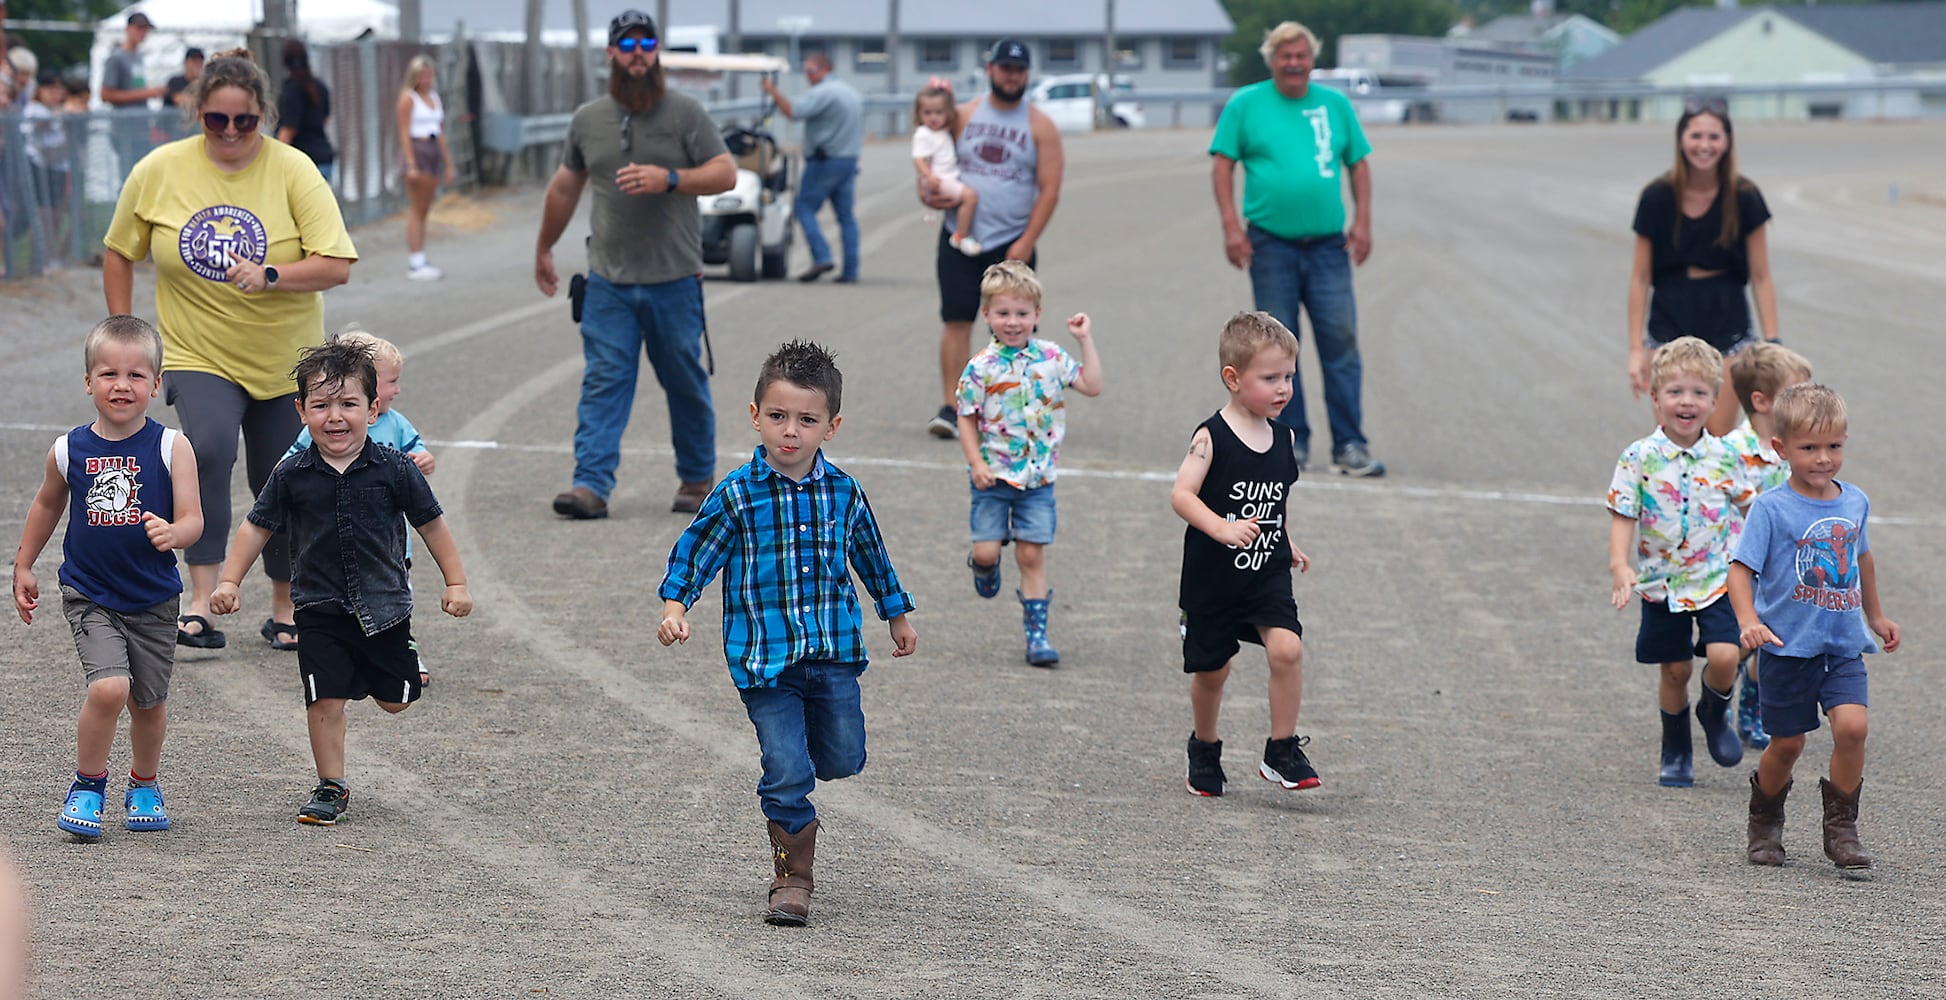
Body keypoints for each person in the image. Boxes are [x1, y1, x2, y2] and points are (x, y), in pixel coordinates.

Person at [103, 48, 358, 653]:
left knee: (283, 475)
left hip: (286, 357)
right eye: (217, 121)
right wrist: (121, 324)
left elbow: (338, 264)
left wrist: (270, 274)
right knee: (208, 449)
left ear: (263, 116)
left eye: (245, 122)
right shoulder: (160, 169)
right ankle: (200, 597)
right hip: (198, 350)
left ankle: (285, 602)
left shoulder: (294, 169)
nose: (231, 133)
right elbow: (120, 249)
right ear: (198, 114)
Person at [657, 341, 917, 927]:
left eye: (807, 419)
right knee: (787, 769)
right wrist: (677, 604)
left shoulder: (844, 492)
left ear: (832, 425)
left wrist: (896, 614)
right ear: (755, 416)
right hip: (765, 660)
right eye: (778, 417)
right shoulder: (736, 493)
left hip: (833, 653)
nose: (790, 432)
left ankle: (806, 779)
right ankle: (792, 876)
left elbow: (871, 555)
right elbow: (696, 552)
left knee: (844, 757)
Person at [208, 339, 472, 825]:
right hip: (318, 607)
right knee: (324, 697)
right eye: (321, 404)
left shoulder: (394, 467)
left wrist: (455, 582)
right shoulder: (291, 473)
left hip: (385, 605)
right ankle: (331, 785)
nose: (334, 416)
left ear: (373, 410)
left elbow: (431, 524)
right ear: (301, 411)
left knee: (397, 700)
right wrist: (229, 581)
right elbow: (256, 526)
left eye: (348, 404)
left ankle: (386, 668)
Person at [534, 9, 735, 519]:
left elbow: (725, 172)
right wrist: (544, 248)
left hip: (674, 279)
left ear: (657, 50)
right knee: (605, 380)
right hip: (609, 283)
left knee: (685, 381)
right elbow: (563, 187)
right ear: (612, 54)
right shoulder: (588, 119)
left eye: (647, 42)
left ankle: (696, 479)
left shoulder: (685, 113)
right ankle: (590, 485)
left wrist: (670, 178)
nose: (638, 51)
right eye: (628, 44)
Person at [11, 316, 203, 840]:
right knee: (109, 688)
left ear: (156, 384)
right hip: (90, 593)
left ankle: (144, 783)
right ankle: (88, 785)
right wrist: (24, 563)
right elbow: (48, 503)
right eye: (109, 373)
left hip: (156, 597)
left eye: (137, 375)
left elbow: (194, 518)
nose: (122, 385)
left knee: (149, 701)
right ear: (88, 381)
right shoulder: (68, 449)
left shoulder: (172, 447)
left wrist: (175, 532)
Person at [1729, 384, 1898, 872]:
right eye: (1809, 448)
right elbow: (1740, 570)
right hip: (1787, 647)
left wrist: (1876, 617)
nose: (1823, 458)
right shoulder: (1771, 509)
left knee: (1853, 727)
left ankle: (1842, 829)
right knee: (1787, 744)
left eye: (1834, 446)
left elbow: (1861, 559)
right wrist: (1748, 621)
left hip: (1842, 644)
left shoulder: (1855, 502)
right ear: (1781, 448)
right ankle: (1765, 824)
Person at [1210, 21, 1384, 479]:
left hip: (1328, 246)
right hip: (1270, 244)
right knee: (1276, 353)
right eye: (1284, 56)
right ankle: (1290, 443)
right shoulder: (1245, 105)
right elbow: (1222, 165)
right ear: (1271, 60)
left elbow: (1359, 164)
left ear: (1312, 59)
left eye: (1301, 55)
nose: (1293, 63)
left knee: (1340, 342)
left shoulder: (1335, 105)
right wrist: (1231, 226)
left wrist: (1362, 221)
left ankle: (1350, 443)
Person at [1171, 311, 1316, 797]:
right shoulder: (1210, 437)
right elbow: (1183, 495)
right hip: (1214, 579)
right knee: (1213, 671)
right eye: (1269, 378)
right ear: (1233, 379)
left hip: (1265, 575)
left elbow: (1277, 497)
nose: (1283, 389)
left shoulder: (1286, 437)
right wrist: (1222, 528)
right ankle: (1205, 747)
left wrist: (1285, 538)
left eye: (1289, 377)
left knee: (1288, 648)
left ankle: (1282, 750)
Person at [1606, 337, 1755, 788]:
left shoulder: (1727, 456)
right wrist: (1620, 565)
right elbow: (1622, 515)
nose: (1686, 402)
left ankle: (1713, 709)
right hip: (1661, 582)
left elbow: (1754, 510)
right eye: (1674, 393)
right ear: (1655, 398)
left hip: (1717, 578)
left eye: (1698, 393)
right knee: (1675, 669)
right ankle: (1675, 748)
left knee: (1727, 655)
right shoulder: (1638, 457)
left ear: (1713, 401)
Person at [955, 261, 1102, 666]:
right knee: (986, 552)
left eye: (1022, 314)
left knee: (1032, 555)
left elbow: (1092, 385)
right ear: (987, 315)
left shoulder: (1052, 356)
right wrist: (975, 462)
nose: (1013, 322)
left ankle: (1037, 635)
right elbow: (965, 416)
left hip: (1038, 481)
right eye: (1003, 313)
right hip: (993, 477)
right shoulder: (981, 368)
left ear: (1037, 315)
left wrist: (1084, 339)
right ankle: (984, 568)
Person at [922, 39, 1064, 439]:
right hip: (959, 236)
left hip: (1012, 240)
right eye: (1005, 69)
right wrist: (928, 194)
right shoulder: (963, 115)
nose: (1012, 76)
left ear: (1027, 75)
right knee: (955, 320)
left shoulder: (1040, 125)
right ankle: (953, 407)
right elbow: (936, 168)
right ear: (990, 70)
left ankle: (1008, 408)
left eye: (1018, 70)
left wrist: (1026, 241)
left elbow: (1050, 189)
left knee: (1013, 329)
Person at [283, 329, 436, 683]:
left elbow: (417, 452)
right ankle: (344, 651)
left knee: (395, 598)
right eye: (391, 381)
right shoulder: (319, 428)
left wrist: (423, 459)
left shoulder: (396, 423)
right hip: (330, 540)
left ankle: (403, 649)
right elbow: (288, 461)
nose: (397, 390)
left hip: (386, 543)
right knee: (335, 604)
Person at [1628, 98, 1779, 438]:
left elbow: (1761, 276)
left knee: (1717, 434)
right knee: (1676, 436)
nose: (1704, 146)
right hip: (1669, 319)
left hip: (1727, 320)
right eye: (1696, 136)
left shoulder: (1745, 197)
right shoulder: (1656, 198)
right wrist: (1637, 350)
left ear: (1727, 141)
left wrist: (1772, 343)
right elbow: (1639, 278)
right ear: (1681, 139)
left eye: (1714, 137)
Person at [1722, 341, 1814, 751]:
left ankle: (1754, 704)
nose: (1806, 404)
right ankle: (1721, 695)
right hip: (1741, 564)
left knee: (1773, 641)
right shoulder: (1730, 453)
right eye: (1795, 395)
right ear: (1760, 401)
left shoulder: (1799, 450)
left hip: (1785, 568)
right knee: (1737, 642)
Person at [759, 52, 862, 283]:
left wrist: (772, 90)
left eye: (810, 71)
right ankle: (851, 269)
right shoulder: (850, 92)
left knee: (804, 208)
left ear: (824, 68)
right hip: (849, 159)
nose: (807, 77)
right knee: (846, 216)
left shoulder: (823, 93)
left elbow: (793, 112)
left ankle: (821, 256)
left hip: (825, 160)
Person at [396, 54, 454, 280]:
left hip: (433, 151)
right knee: (417, 208)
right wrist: (411, 164)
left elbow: (440, 133)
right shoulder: (408, 99)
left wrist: (448, 164)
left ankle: (421, 256)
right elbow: (404, 133)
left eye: (429, 75)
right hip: (418, 150)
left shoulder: (434, 98)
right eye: (422, 75)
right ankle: (416, 260)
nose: (426, 79)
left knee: (425, 208)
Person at [910, 81, 979, 254]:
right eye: (927, 113)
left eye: (939, 112)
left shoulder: (943, 130)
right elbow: (918, 158)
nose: (933, 117)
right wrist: (928, 176)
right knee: (970, 197)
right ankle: (962, 236)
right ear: (919, 114)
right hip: (940, 179)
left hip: (948, 176)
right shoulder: (923, 134)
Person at [99, 12, 165, 173]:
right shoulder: (117, 58)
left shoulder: (138, 56)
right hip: (124, 130)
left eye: (145, 29)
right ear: (128, 29)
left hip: (140, 128)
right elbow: (106, 94)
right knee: (128, 177)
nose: (143, 33)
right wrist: (146, 94)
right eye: (139, 28)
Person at [22, 71, 72, 267]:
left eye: (59, 90)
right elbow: (42, 124)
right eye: (51, 89)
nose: (56, 94)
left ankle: (50, 257)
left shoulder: (57, 109)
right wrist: (61, 113)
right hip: (40, 167)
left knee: (56, 214)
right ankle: (39, 260)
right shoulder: (35, 109)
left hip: (57, 168)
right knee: (43, 216)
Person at [277, 40, 335, 183]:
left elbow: (288, 130)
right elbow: (325, 119)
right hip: (324, 158)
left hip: (303, 163)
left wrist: (274, 159)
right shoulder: (319, 86)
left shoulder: (291, 90)